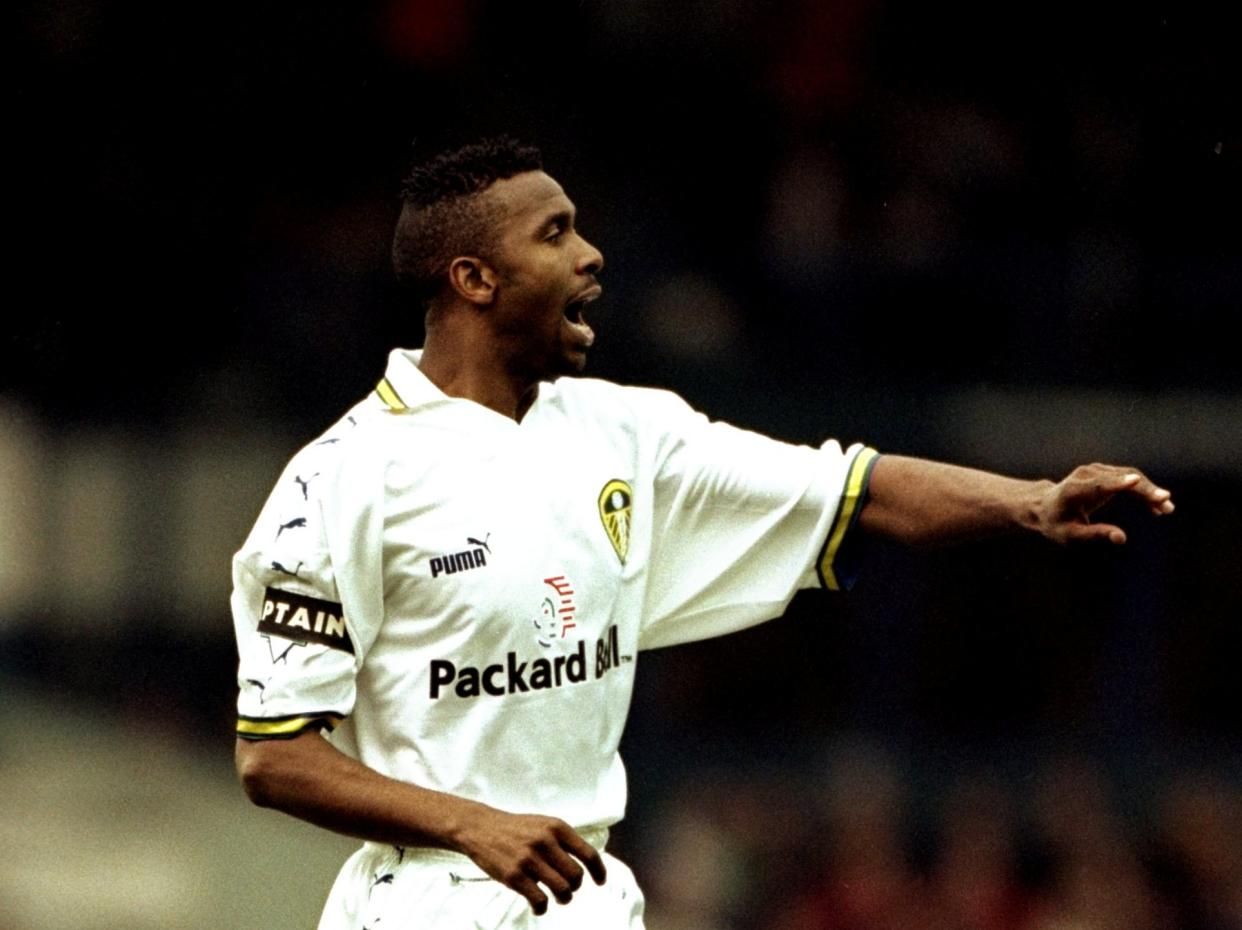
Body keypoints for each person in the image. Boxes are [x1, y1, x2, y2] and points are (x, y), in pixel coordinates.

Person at [230, 136, 1174, 930]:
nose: (591, 254)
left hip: (585, 892)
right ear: (473, 277)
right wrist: (473, 824)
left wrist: (1028, 501)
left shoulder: (628, 433)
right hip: (425, 898)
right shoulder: (344, 478)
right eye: (555, 234)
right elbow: (275, 755)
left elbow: (854, 486)